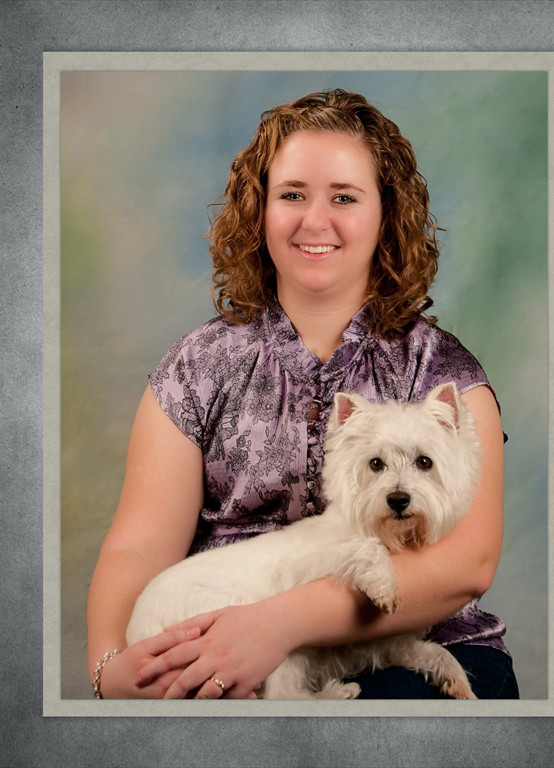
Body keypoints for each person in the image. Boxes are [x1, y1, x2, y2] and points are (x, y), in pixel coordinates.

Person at [87, 89, 519, 700]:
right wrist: (112, 669)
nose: (315, 221)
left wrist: (276, 624)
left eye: (344, 197)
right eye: (292, 195)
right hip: (220, 650)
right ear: (258, 210)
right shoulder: (195, 368)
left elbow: (468, 564)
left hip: (417, 646)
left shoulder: (443, 369)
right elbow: (137, 547)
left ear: (386, 213)